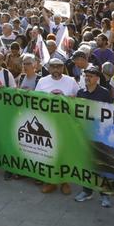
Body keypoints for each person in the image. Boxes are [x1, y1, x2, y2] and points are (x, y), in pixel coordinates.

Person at [73, 65, 113, 207]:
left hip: (100, 136)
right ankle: (87, 191)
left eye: (90, 76)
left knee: (101, 167)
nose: (87, 78)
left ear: (97, 78)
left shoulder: (104, 93)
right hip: (85, 135)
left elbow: (110, 114)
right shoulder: (80, 93)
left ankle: (105, 195)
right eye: (86, 75)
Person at [37, 58, 78, 195]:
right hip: (47, 124)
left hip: (65, 123)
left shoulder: (71, 81)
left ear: (63, 68)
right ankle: (51, 181)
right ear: (48, 68)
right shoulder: (42, 81)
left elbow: (78, 100)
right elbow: (35, 99)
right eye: (53, 67)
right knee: (49, 153)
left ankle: (65, 181)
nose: (56, 69)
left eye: (59, 67)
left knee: (64, 153)